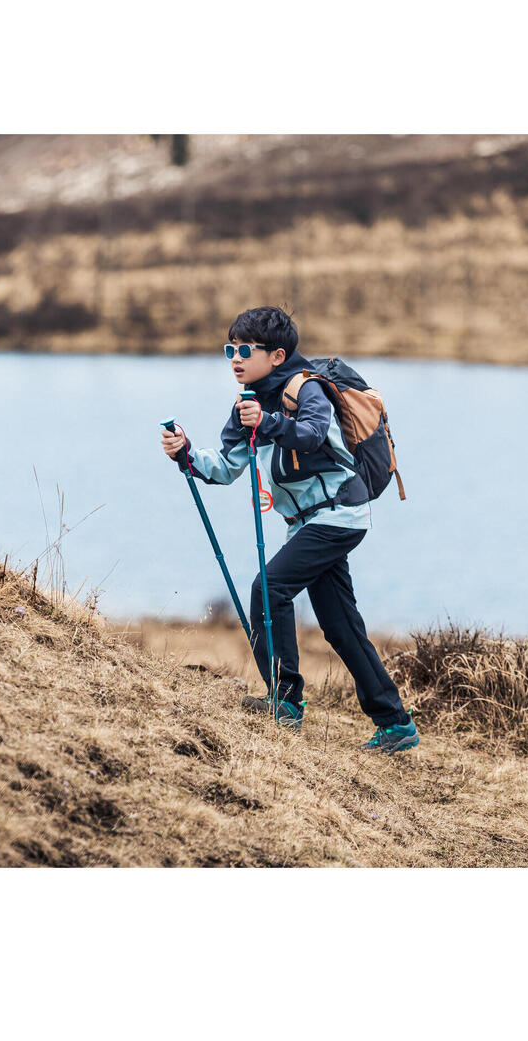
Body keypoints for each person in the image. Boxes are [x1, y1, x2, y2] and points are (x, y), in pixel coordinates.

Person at [159, 306, 419, 753]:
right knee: (339, 625)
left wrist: (270, 423)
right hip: (304, 524)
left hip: (339, 514)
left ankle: (287, 701)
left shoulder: (307, 389)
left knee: (269, 589)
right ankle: (395, 723)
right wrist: (185, 454)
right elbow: (225, 469)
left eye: (245, 350)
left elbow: (314, 434)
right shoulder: (246, 404)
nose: (235, 359)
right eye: (230, 349)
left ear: (277, 355)